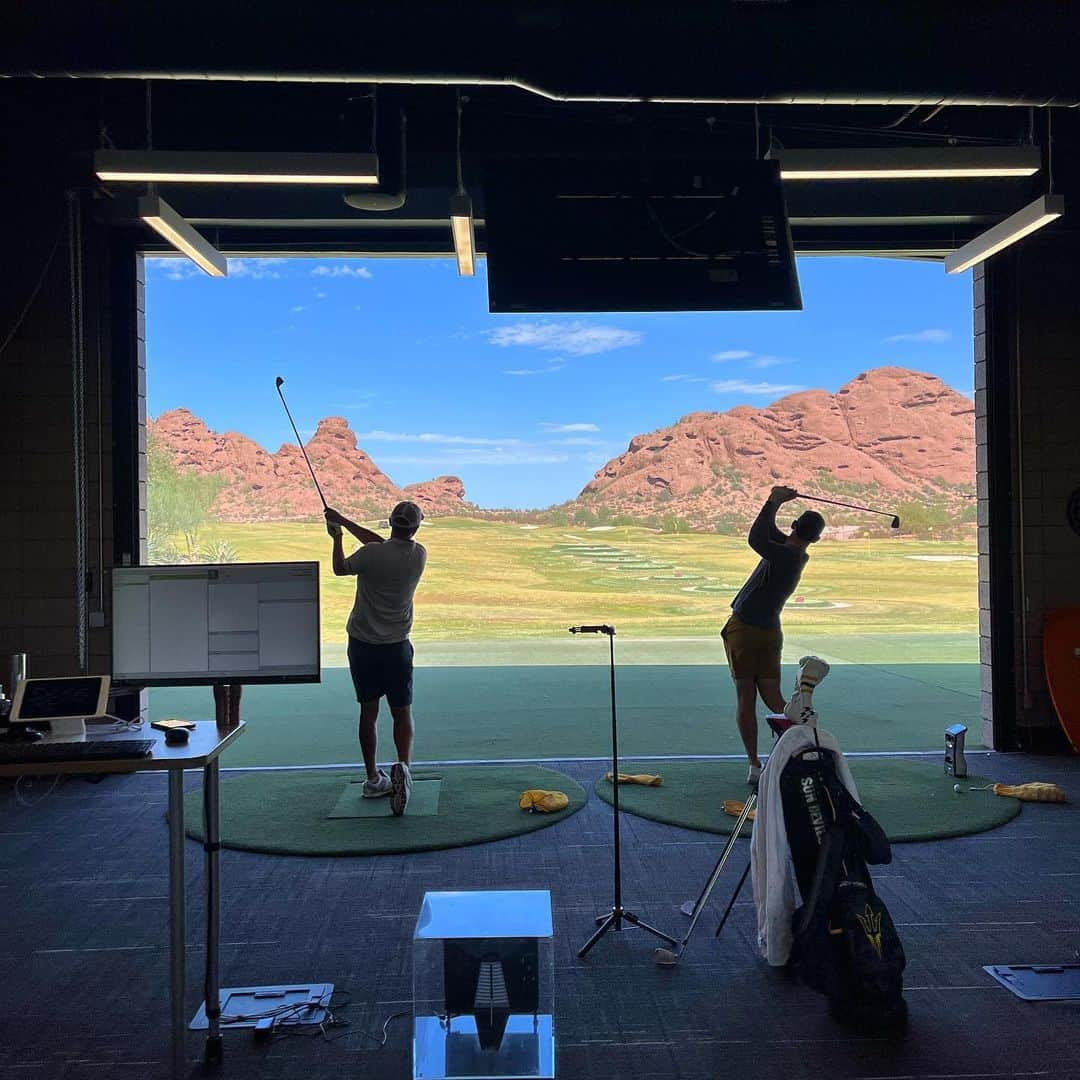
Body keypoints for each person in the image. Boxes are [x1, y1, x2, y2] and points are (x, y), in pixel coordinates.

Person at [325, 500, 427, 815]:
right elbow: (382, 545)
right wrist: (344, 519)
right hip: (397, 647)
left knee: (368, 713)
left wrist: (338, 536)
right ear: (416, 527)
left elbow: (341, 568)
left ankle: (373, 778)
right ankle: (405, 771)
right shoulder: (418, 554)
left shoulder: (371, 555)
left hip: (363, 645)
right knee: (402, 712)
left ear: (390, 521)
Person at [721, 485, 825, 786]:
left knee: (746, 698)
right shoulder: (796, 555)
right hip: (770, 632)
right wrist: (775, 503)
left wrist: (774, 500)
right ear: (815, 539)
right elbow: (769, 534)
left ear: (794, 526)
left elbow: (756, 537)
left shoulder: (785, 555)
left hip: (745, 629)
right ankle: (801, 717)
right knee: (774, 700)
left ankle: (755, 764)